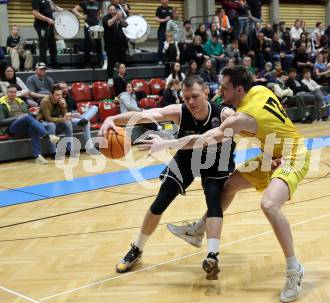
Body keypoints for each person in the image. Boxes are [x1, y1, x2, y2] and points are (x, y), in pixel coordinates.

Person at [143, 66, 310, 302]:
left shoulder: (243, 117)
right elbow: (278, 120)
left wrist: (167, 144)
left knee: (269, 205)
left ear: (239, 90)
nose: (218, 90)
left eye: (224, 87)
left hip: (293, 155)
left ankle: (294, 269)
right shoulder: (260, 89)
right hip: (272, 154)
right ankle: (198, 230)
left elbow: (203, 139)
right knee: (228, 187)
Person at [98, 75, 236, 278]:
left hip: (217, 161)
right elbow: (145, 115)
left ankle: (212, 256)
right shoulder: (179, 112)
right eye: (186, 97)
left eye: (195, 96)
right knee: (159, 202)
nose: (190, 102)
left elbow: (248, 129)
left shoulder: (225, 114)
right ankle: (137, 249)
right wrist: (112, 119)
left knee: (214, 199)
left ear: (206, 92)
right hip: (187, 158)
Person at [0, 84, 60, 164]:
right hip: (12, 128)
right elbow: (2, 121)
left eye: (15, 92)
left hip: (25, 125)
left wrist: (34, 114)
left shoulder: (21, 102)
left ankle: (38, 156)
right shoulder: (2, 104)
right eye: (11, 92)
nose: (13, 94)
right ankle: (48, 135)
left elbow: (28, 114)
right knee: (26, 117)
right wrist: (18, 117)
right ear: (6, 93)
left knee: (32, 127)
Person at [31, 0, 62, 68]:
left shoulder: (49, 1)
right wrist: (47, 19)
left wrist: (65, 11)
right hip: (41, 26)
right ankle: (43, 64)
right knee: (43, 45)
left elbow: (55, 7)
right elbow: (35, 13)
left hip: (49, 26)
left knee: (53, 45)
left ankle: (54, 63)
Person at [73, 0, 103, 67]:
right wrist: (81, 16)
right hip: (87, 25)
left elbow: (99, 12)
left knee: (98, 44)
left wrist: (100, 15)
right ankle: (87, 62)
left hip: (96, 26)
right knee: (87, 44)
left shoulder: (97, 3)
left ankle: (100, 62)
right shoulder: (84, 2)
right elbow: (74, 10)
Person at [103, 4, 128, 79]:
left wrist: (120, 18)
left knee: (122, 63)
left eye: (114, 10)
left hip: (121, 45)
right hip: (110, 45)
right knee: (111, 63)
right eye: (111, 10)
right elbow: (109, 23)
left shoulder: (118, 18)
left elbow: (126, 24)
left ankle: (122, 77)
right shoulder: (106, 18)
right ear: (108, 11)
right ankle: (110, 78)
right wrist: (115, 17)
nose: (112, 11)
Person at [156, 0, 174, 64]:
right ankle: (160, 59)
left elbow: (173, 18)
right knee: (161, 44)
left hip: (170, 30)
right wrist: (165, 19)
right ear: (161, 1)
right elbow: (157, 19)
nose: (166, 0)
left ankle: (168, 59)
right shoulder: (159, 9)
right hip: (162, 29)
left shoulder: (171, 9)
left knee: (170, 44)